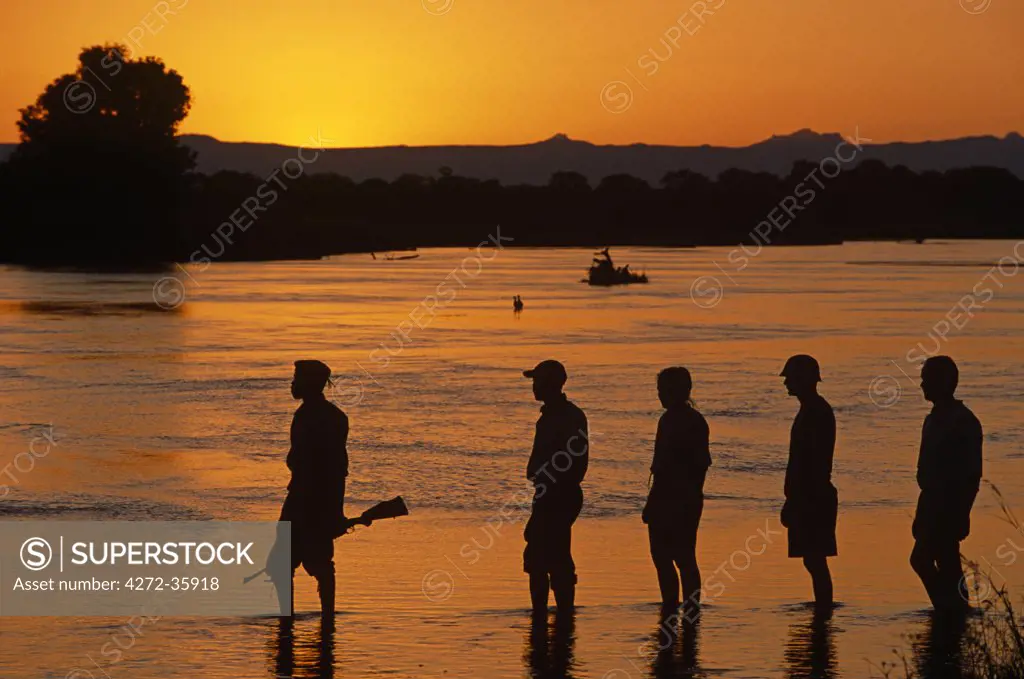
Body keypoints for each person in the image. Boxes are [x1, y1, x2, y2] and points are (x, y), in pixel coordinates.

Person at [273, 359, 349, 625]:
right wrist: (336, 511)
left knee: (286, 563)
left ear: (310, 383)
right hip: (315, 499)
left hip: (304, 499)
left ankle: (289, 619)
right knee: (317, 563)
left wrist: (334, 511)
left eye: (296, 378)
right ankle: (326, 620)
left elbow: (336, 467)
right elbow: (340, 468)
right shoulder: (334, 416)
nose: (292, 384)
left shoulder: (310, 416)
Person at [910, 355, 983, 611]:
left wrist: (963, 512)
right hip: (931, 501)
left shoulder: (962, 420)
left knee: (922, 559)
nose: (922, 385)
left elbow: (973, 473)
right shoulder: (934, 418)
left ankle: (949, 608)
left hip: (948, 504)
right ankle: (955, 613)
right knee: (947, 561)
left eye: (926, 380)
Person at [642, 367, 711, 614]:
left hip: (673, 499)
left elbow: (665, 468)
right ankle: (684, 608)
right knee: (681, 557)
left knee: (668, 557)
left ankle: (673, 607)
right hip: (688, 498)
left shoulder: (675, 421)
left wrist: (653, 503)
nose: (660, 395)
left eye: (663, 390)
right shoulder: (694, 420)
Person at [522, 359, 589, 614]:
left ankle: (549, 617)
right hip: (557, 493)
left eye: (537, 381)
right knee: (551, 555)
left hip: (557, 494)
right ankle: (559, 618)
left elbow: (571, 463)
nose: (534, 386)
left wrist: (547, 489)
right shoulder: (563, 415)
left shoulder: (564, 417)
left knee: (543, 557)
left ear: (550, 384)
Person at [780, 354, 838, 609]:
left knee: (815, 559)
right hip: (809, 496)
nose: (786, 383)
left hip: (813, 497)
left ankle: (823, 612)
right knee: (813, 560)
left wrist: (796, 500)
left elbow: (811, 462)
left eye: (790, 377)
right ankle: (822, 611)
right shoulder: (811, 409)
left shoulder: (816, 412)